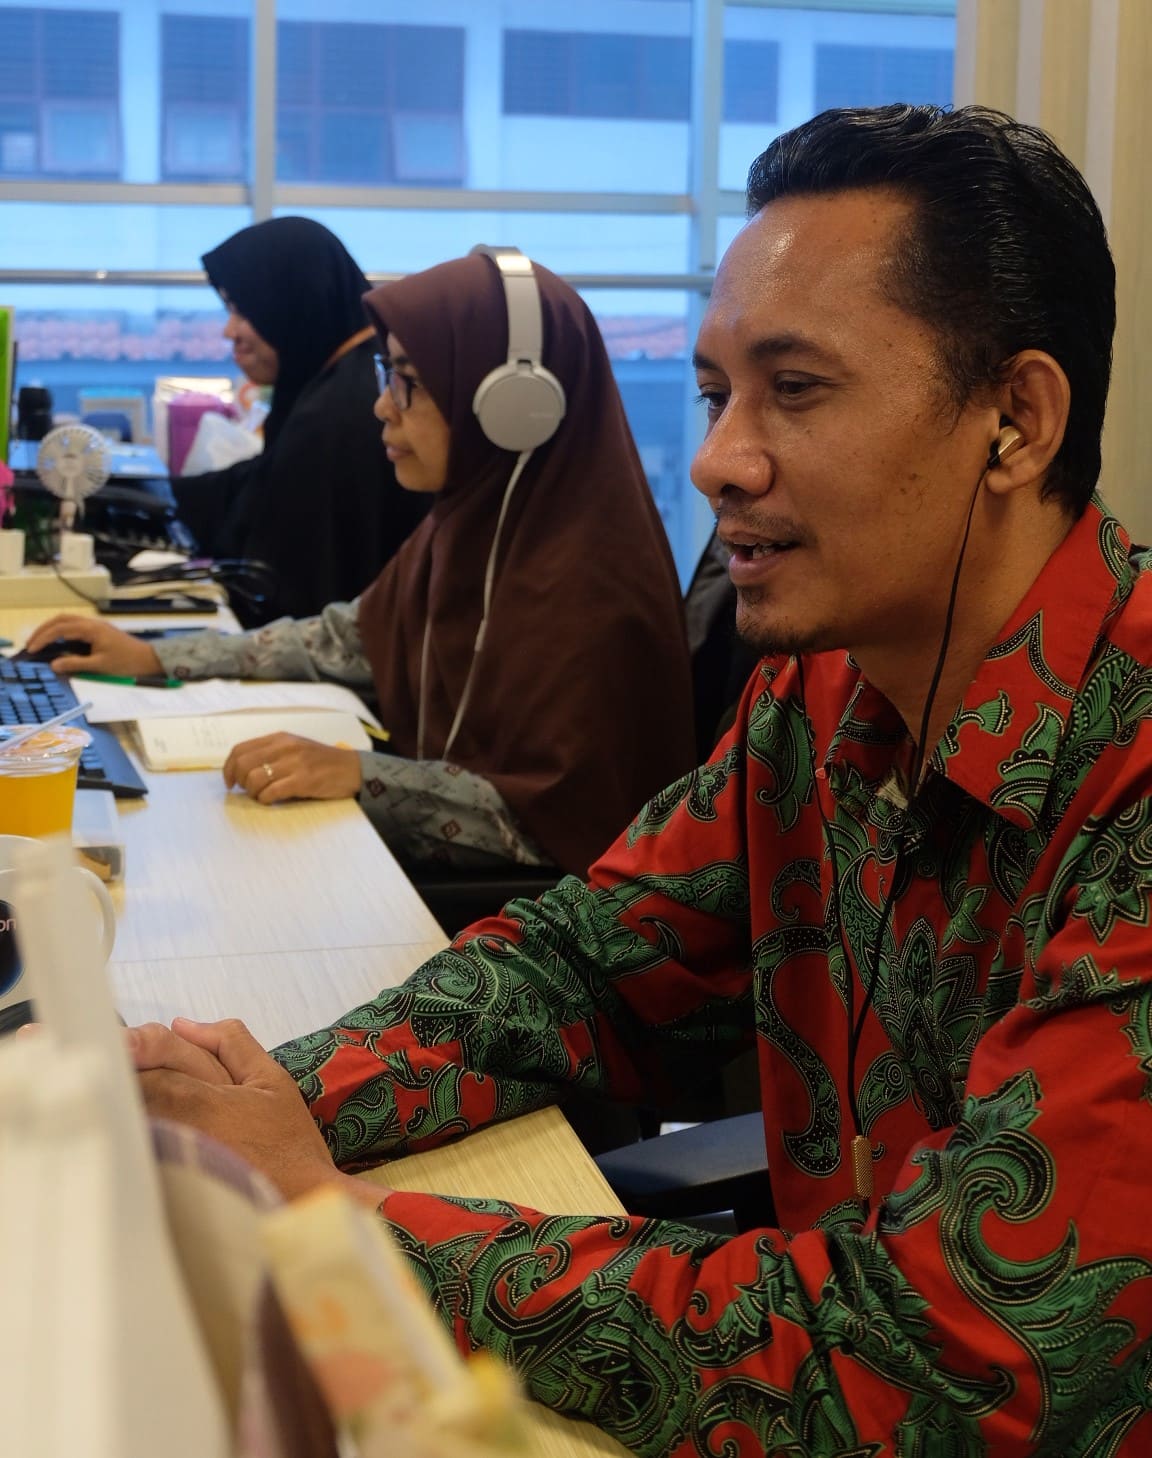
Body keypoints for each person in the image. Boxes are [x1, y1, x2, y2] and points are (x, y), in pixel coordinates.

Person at [132, 102, 1152, 1456]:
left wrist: (337, 1225)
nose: (719, 459)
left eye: (797, 388)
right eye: (719, 392)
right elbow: (588, 961)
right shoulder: (824, 694)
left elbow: (945, 1366)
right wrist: (251, 1103)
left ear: (1015, 422)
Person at [29, 251, 696, 874]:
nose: (382, 403)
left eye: (409, 382)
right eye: (388, 373)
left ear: (513, 410)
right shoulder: (473, 522)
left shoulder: (590, 590)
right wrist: (154, 656)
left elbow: (558, 823)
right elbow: (351, 638)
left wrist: (360, 775)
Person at [171, 216, 430, 624]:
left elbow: (285, 587)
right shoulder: (345, 376)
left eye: (242, 310)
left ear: (290, 301)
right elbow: (261, 482)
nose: (230, 331)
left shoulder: (338, 412)